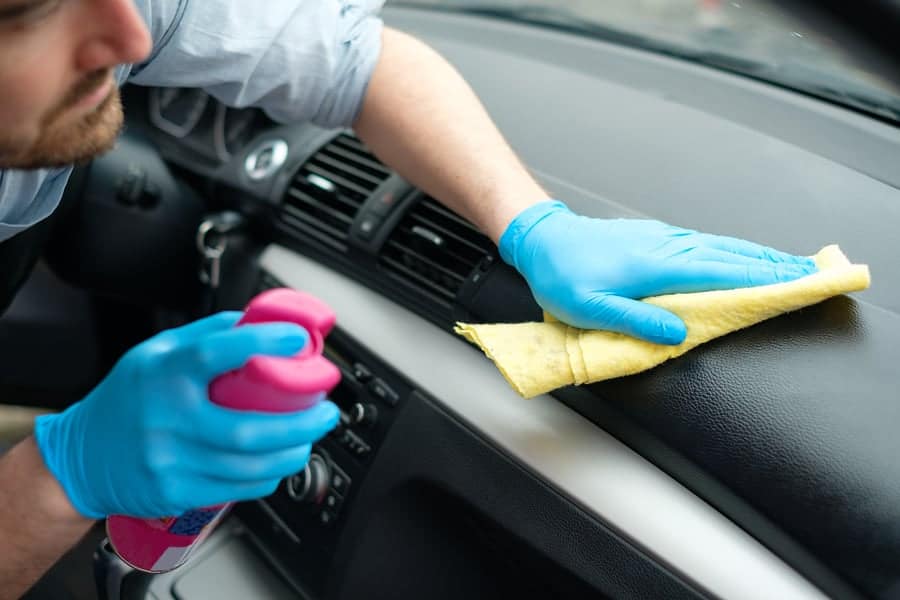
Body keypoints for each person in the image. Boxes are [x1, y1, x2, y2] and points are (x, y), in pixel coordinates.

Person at [0, 1, 817, 596]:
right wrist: (56, 475)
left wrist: (530, 222)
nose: (133, 38)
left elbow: (360, 61)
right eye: (22, 13)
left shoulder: (119, 13)